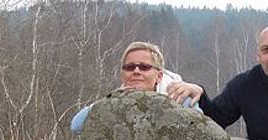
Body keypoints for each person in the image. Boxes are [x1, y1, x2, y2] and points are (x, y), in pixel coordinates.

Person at [70, 41, 198, 134]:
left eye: (144, 67)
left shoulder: (180, 98)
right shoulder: (116, 101)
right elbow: (76, 126)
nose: (136, 71)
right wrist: (109, 101)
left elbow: (200, 135)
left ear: (159, 76)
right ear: (122, 74)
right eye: (130, 67)